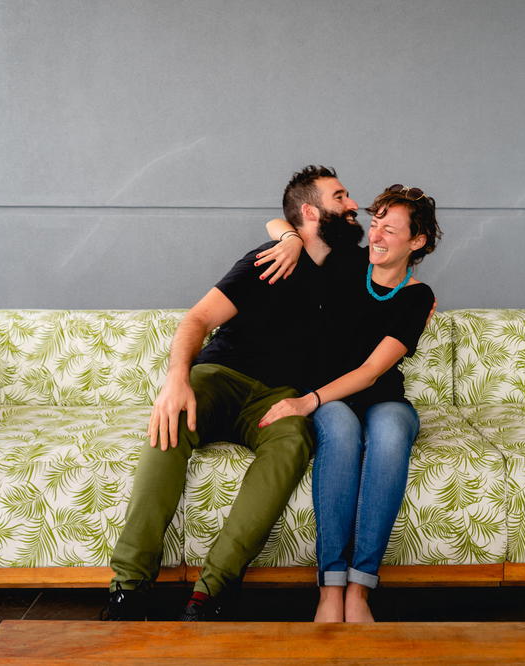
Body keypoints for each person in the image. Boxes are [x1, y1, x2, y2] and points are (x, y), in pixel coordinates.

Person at [102, 165, 361, 621]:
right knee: (170, 424)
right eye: (340, 197)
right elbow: (197, 320)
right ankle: (128, 585)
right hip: (221, 376)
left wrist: (413, 294)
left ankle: (212, 591)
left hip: (278, 396)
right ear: (310, 211)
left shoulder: (347, 268)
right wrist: (176, 381)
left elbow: (395, 265)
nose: (353, 204)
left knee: (295, 441)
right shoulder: (268, 259)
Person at [256, 184, 441, 623]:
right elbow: (284, 221)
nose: (376, 235)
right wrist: (290, 239)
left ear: (417, 242)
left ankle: (360, 587)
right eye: (375, 224)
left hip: (380, 397)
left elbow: (373, 372)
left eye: (390, 230)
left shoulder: (417, 297)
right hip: (331, 397)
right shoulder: (342, 261)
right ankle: (331, 587)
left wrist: (307, 402)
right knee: (340, 432)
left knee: (392, 434)